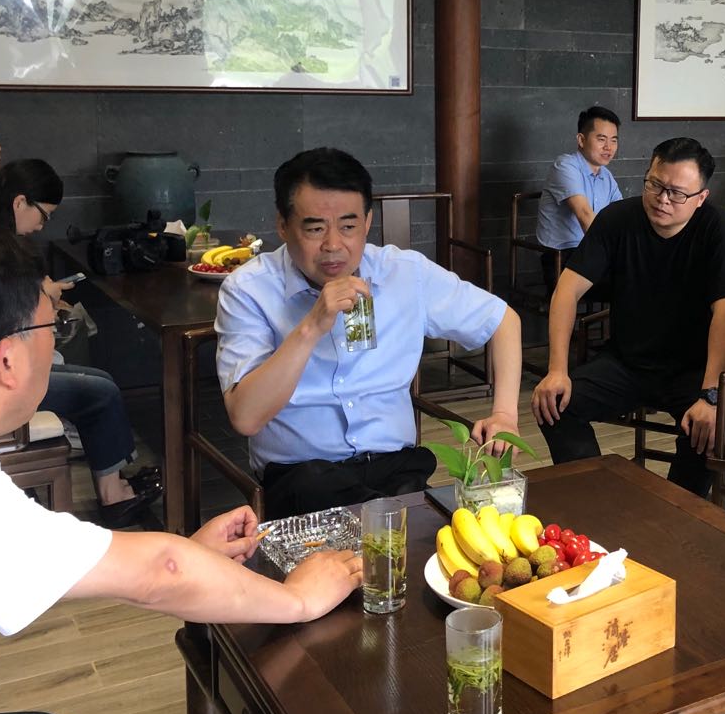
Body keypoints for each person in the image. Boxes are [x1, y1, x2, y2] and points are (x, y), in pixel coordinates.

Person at [0, 215, 361, 714]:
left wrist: (183, 553)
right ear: (7, 358)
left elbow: (68, 566)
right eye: (53, 327)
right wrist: (298, 599)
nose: (55, 342)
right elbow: (160, 574)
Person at [216, 147, 523, 518]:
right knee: (400, 525)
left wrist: (504, 414)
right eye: (315, 228)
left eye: (348, 226)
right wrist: (312, 326)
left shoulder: (403, 272)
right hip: (303, 478)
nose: (333, 245)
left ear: (367, 221)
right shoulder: (249, 289)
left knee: (433, 525)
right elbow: (245, 417)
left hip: (396, 467)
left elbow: (503, 320)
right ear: (282, 225)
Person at [531, 137, 725, 496]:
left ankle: (677, 510)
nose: (662, 199)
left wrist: (710, 395)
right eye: (655, 185)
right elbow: (566, 291)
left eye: (677, 193)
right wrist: (557, 370)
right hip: (626, 363)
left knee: (709, 430)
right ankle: (595, 498)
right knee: (553, 403)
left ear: (701, 197)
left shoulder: (719, 228)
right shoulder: (618, 219)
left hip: (693, 370)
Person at [0, 159, 160, 526]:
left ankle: (113, 487)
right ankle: (114, 497)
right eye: (43, 215)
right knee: (99, 392)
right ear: (20, 202)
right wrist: (43, 298)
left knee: (100, 381)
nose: (40, 226)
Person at [534, 105, 623, 287]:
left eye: (614, 140)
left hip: (591, 252)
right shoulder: (565, 167)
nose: (608, 147)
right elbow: (585, 215)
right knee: (631, 280)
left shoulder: (606, 176)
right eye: (601, 139)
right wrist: (615, 254)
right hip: (561, 259)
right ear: (581, 140)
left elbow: (622, 217)